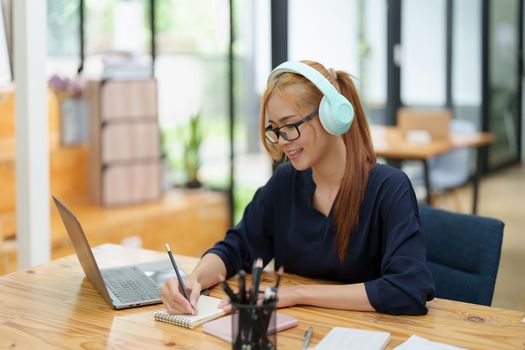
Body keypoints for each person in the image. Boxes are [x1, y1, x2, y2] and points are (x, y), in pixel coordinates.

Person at [161, 60, 435, 316]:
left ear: (330, 116)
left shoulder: (389, 188)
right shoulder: (285, 182)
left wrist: (297, 294)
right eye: (275, 130)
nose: (281, 141)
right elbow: (237, 247)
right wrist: (193, 279)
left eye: (290, 126)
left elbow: (408, 289)